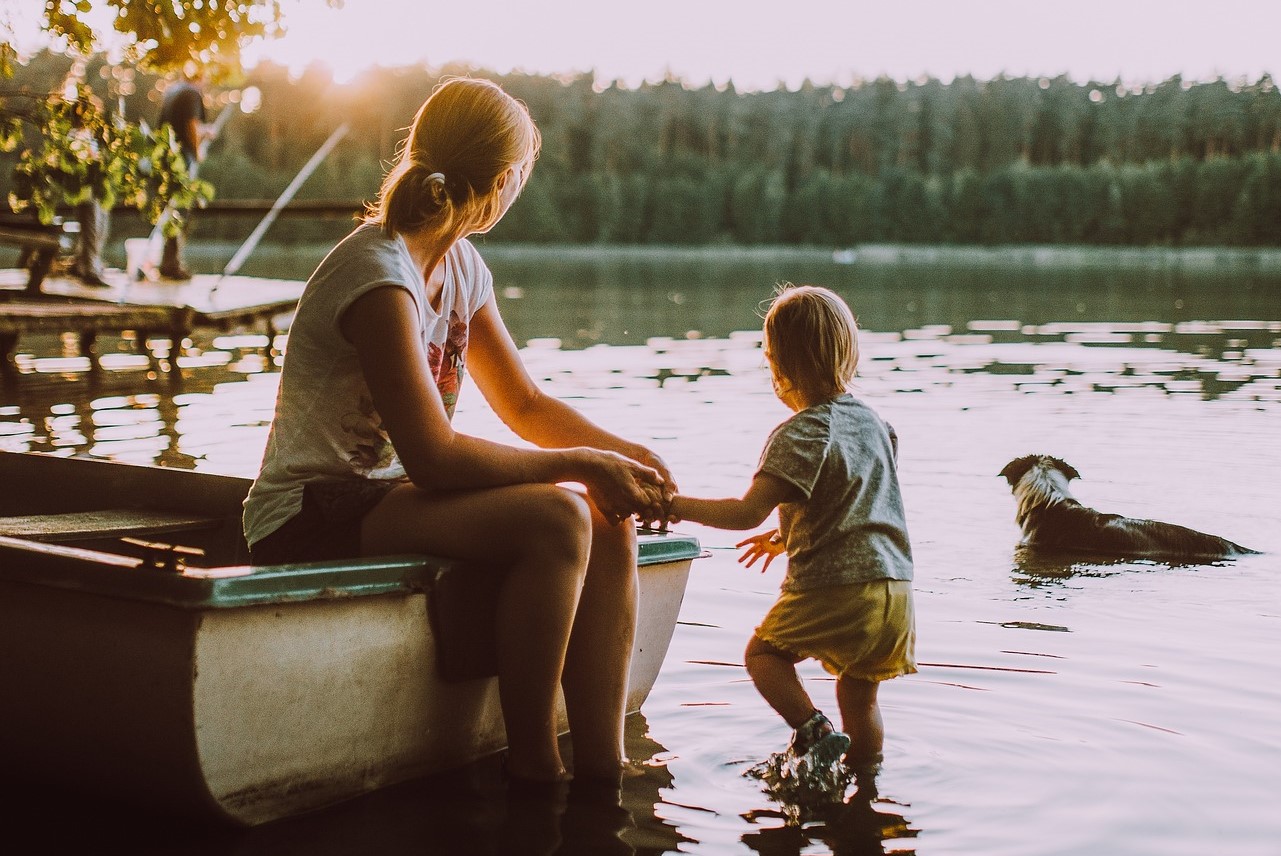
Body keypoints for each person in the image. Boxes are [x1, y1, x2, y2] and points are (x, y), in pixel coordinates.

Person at [242, 77, 673, 791]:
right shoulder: (379, 275)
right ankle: (535, 767)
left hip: (387, 499)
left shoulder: (461, 266)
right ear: (504, 181)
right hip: (307, 513)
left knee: (607, 516)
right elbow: (436, 458)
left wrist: (624, 457)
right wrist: (582, 465)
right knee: (561, 515)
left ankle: (603, 768)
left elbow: (525, 404)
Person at [666, 284, 916, 796]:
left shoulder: (801, 432)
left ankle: (813, 729)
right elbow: (852, 503)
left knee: (764, 656)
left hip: (836, 587)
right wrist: (785, 538)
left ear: (778, 364)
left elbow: (743, 513)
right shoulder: (878, 426)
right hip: (895, 592)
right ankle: (864, 791)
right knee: (861, 699)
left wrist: (670, 505)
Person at [156, 69, 213, 279]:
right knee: (180, 210)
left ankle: (168, 261)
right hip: (182, 159)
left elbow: (177, 124)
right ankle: (172, 264)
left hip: (166, 156)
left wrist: (204, 131)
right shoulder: (192, 93)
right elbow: (191, 124)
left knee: (170, 209)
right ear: (200, 76)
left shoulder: (173, 91)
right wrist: (197, 153)